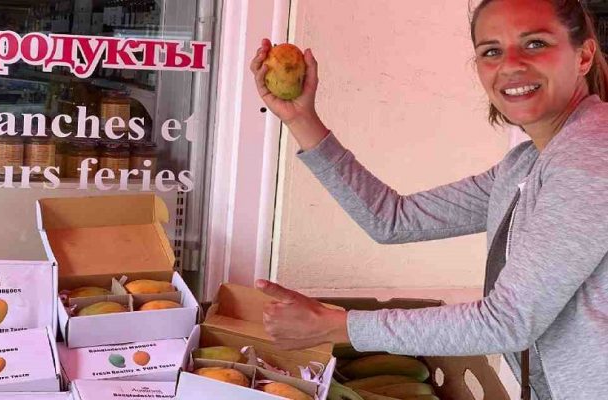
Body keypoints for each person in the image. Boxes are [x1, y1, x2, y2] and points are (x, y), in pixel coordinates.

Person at [249, 0, 608, 399]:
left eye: (535, 43)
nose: (510, 65)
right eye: (491, 51)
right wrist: (301, 119)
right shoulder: (524, 165)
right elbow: (393, 219)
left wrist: (337, 326)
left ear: (583, 56)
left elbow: (507, 320)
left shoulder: (591, 158)